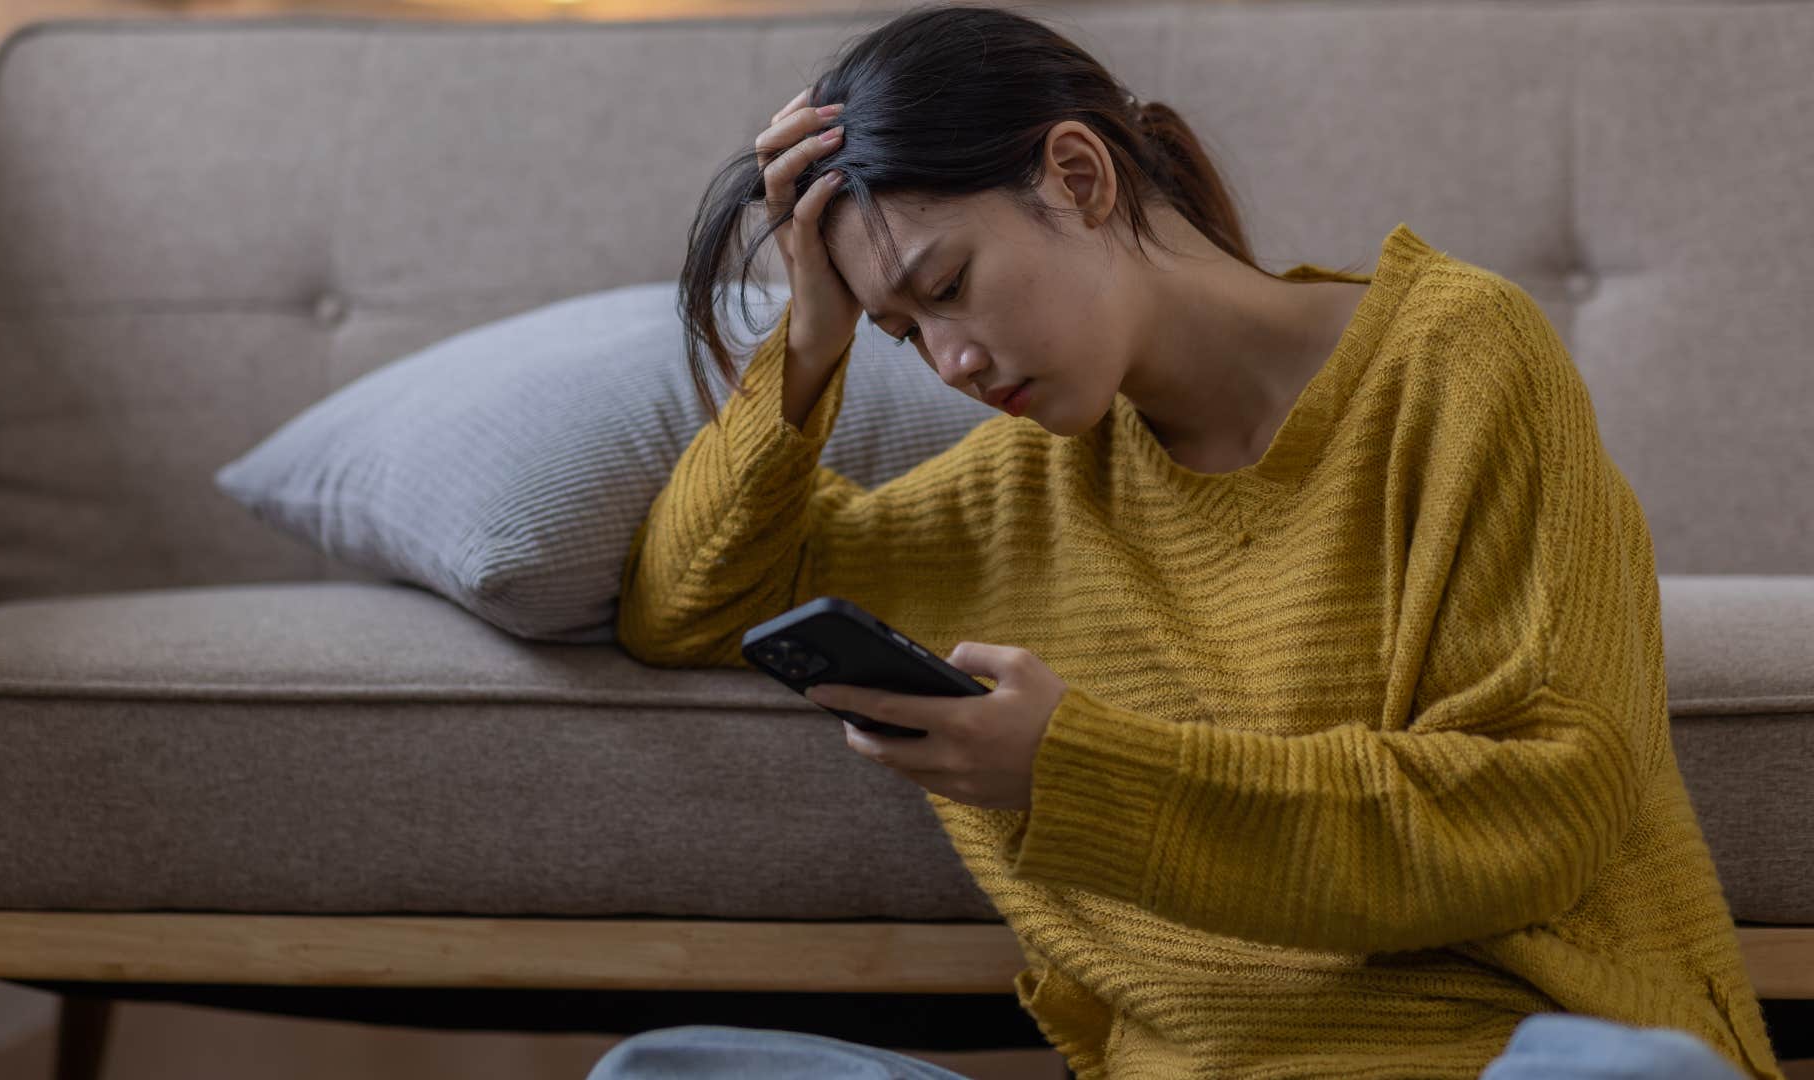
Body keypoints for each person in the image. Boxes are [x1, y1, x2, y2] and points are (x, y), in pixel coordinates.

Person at [608, 3, 1783, 1077]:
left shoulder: (1455, 362)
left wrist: (1072, 772)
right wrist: (810, 346)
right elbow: (688, 605)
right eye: (905, 334)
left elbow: (1545, 811)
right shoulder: (1013, 493)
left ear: (1077, 175)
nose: (952, 362)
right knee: (660, 1073)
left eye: (949, 284)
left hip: (1485, 1057)